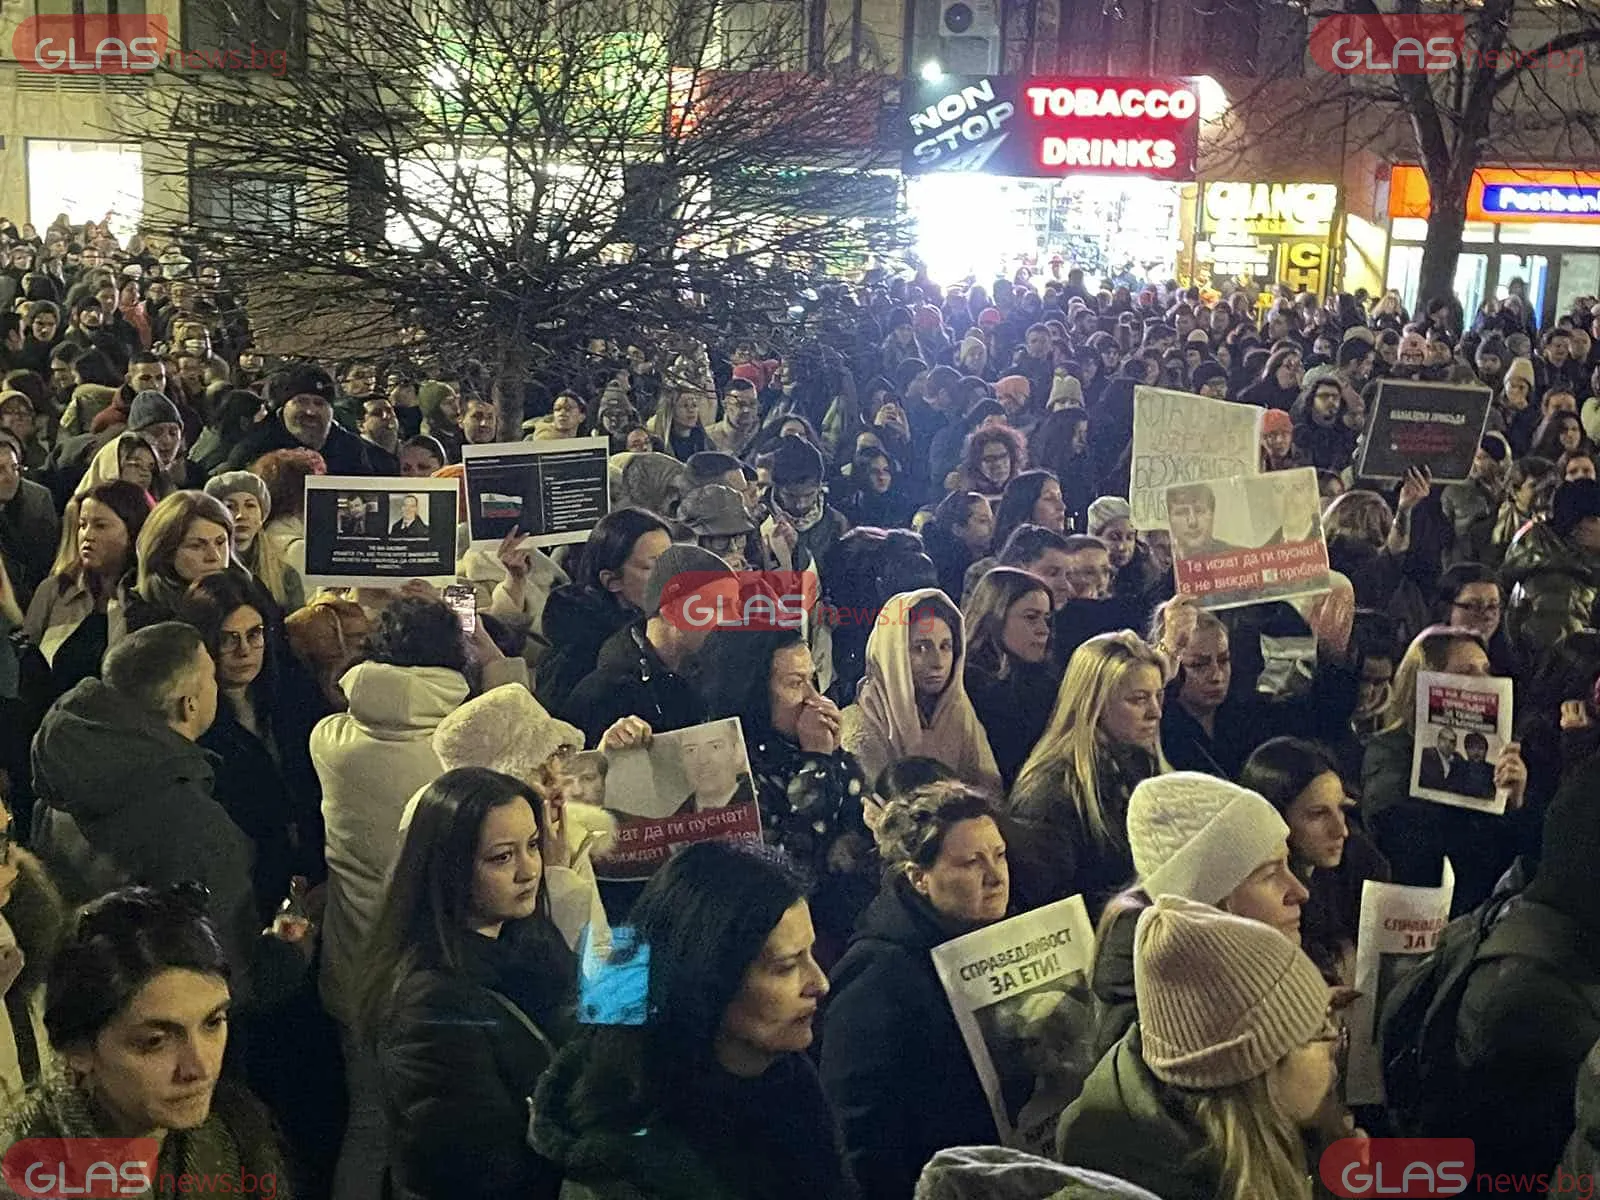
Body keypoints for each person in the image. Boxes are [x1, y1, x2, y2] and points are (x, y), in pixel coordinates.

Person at [532, 842, 853, 1200]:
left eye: (810, 953)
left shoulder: (787, 1079)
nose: (819, 983)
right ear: (709, 977)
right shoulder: (622, 1165)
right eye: (785, 966)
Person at [30, 622, 304, 1002]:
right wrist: (286, 953)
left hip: (86, 1005)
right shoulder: (194, 823)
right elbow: (228, 979)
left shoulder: (61, 771)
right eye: (209, 675)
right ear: (187, 704)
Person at [363, 768, 579, 1200]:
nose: (529, 870)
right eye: (502, 857)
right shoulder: (427, 1004)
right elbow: (479, 1168)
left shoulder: (530, 939)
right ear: (449, 867)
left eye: (533, 846)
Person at [0, 886, 288, 1200]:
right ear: (78, 1050)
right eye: (154, 1041)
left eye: (213, 1023)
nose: (200, 1067)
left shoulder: (235, 1134)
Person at [1056, 897, 1338, 1200]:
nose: (1335, 1040)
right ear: (1256, 1070)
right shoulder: (1141, 1185)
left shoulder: (1273, 1135)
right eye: (1317, 1032)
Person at [821, 783, 1013, 1200]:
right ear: (919, 878)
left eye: (999, 856)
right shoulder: (876, 976)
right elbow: (859, 1133)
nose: (995, 877)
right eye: (969, 863)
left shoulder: (999, 935)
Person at [1089, 772, 1308, 1059]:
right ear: (1208, 902)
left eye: (1287, 865)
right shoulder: (1167, 1043)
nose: (1300, 892)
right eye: (1269, 874)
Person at [689, 628, 875, 957]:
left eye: (813, 681)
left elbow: (861, 827)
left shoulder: (806, 744)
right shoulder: (727, 766)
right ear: (754, 691)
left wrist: (834, 758)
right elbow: (789, 867)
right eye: (794, 684)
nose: (813, 699)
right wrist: (816, 762)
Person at [1361, 625, 1528, 914]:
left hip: (1481, 912)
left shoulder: (1496, 757)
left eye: (1486, 670)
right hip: (1421, 913)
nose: (1484, 681)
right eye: (1466, 673)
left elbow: (1516, 855)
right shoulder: (1388, 751)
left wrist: (1515, 800)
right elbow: (1398, 840)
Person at [1002, 631, 1167, 918]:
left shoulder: (1139, 763)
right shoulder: (1051, 789)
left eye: (1158, 697)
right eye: (1139, 699)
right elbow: (1050, 907)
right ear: (1094, 704)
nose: (1155, 713)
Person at [562, 545, 733, 744]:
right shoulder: (601, 694)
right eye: (719, 607)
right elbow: (565, 771)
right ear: (671, 611)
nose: (734, 619)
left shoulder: (720, 670)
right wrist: (605, 753)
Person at [840, 588, 1001, 792]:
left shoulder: (961, 714)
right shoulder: (859, 726)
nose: (937, 663)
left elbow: (992, 796)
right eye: (920, 648)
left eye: (945, 647)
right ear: (892, 655)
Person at [535, 509, 673, 716]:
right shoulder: (574, 658)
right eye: (653, 567)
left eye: (673, 560)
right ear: (612, 581)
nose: (672, 575)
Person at [22, 480, 150, 698]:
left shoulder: (145, 599)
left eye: (100, 525)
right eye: (82, 525)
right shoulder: (56, 590)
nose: (87, 535)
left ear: (133, 531)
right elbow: (27, 663)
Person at [963, 567, 1059, 788]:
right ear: (994, 616)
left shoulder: (1048, 681)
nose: (1043, 630)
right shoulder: (965, 685)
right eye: (1031, 617)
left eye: (1046, 618)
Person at [228, 363, 374, 475]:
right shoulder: (255, 448)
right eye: (301, 401)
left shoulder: (351, 449)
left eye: (319, 403)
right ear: (284, 406)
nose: (310, 411)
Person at [204, 471, 304, 612]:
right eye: (230, 507)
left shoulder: (285, 575)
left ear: (262, 515)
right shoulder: (203, 569)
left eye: (250, 506)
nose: (240, 515)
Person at [0, 435, 57, 611]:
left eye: (15, 468)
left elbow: (47, 563)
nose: (11, 478)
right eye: (0, 470)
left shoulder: (37, 501)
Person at [674, 720, 755, 812]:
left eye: (715, 747)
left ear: (737, 752)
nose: (702, 760)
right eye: (691, 750)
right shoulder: (675, 821)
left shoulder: (764, 804)